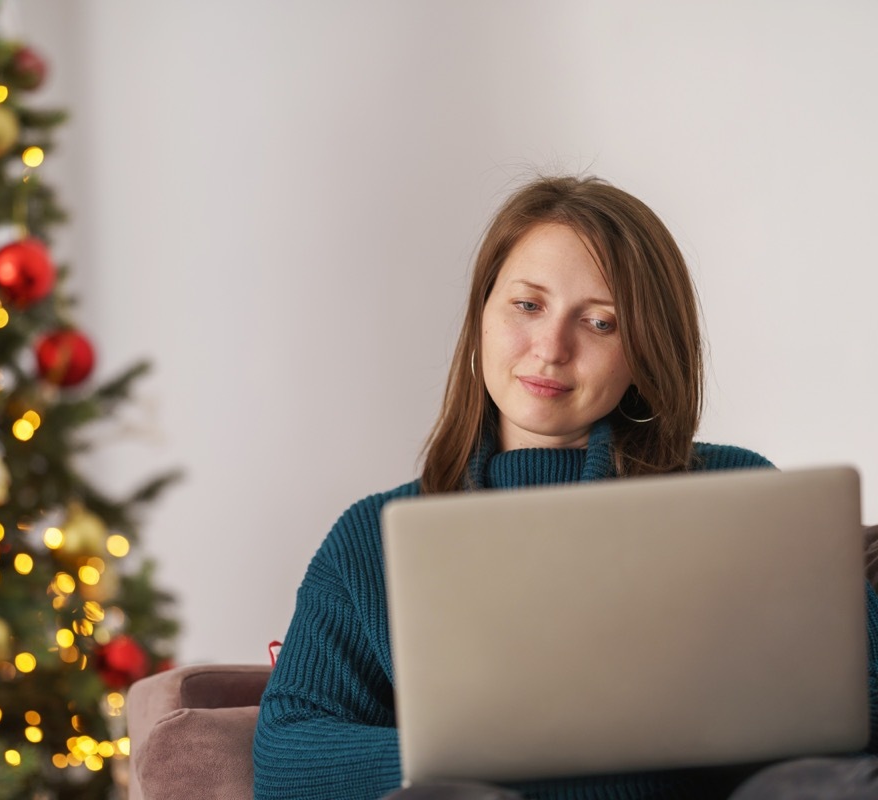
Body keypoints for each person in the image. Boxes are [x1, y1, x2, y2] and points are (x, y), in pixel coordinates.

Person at [252, 175, 878, 800]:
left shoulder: (738, 493)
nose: (551, 348)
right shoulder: (372, 536)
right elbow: (287, 754)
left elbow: (854, 699)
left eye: (601, 323)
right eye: (528, 306)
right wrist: (486, 759)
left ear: (644, 352)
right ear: (481, 316)